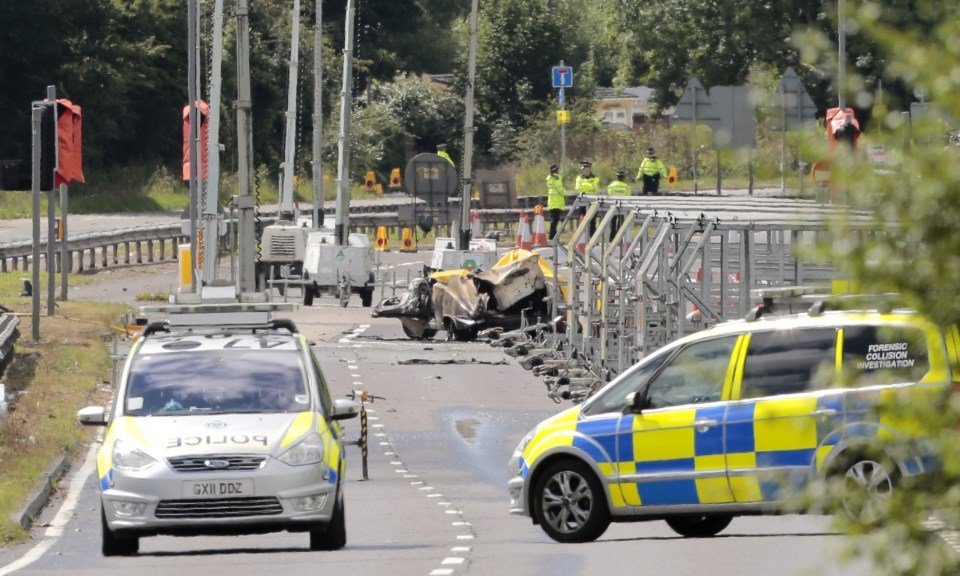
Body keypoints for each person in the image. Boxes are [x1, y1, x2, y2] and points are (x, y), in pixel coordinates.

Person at [575, 161, 600, 235]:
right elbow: (578, 188)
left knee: (592, 221)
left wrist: (584, 185)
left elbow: (595, 188)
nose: (583, 170)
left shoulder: (596, 178)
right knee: (582, 220)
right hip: (582, 202)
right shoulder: (579, 177)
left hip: (592, 203)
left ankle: (592, 239)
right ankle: (582, 238)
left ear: (589, 168)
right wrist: (589, 186)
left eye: (584, 168)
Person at [606, 170, 632, 240]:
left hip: (613, 206)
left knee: (613, 222)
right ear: (623, 178)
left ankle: (612, 238)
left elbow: (609, 195)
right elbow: (628, 197)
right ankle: (620, 237)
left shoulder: (611, 186)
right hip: (623, 207)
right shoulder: (627, 187)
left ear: (616, 177)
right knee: (621, 223)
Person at [546, 164, 565, 240]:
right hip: (557, 203)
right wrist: (565, 192)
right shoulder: (557, 179)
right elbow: (560, 190)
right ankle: (552, 236)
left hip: (551, 202)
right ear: (556, 170)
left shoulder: (550, 179)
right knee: (555, 221)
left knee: (553, 220)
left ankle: (553, 235)